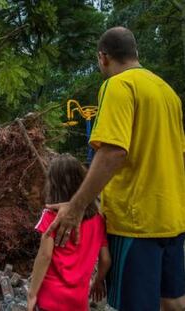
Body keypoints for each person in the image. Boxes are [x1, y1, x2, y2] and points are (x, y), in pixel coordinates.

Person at [44, 27, 185, 311]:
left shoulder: (118, 85)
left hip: (136, 223)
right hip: (172, 215)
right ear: (136, 54)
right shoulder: (167, 92)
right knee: (173, 300)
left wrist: (76, 207)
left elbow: (112, 153)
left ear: (103, 57)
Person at [27, 154, 111, 311]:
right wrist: (98, 281)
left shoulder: (51, 216)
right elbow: (105, 260)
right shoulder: (98, 220)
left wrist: (32, 294)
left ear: (53, 184)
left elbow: (44, 256)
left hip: (51, 299)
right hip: (79, 301)